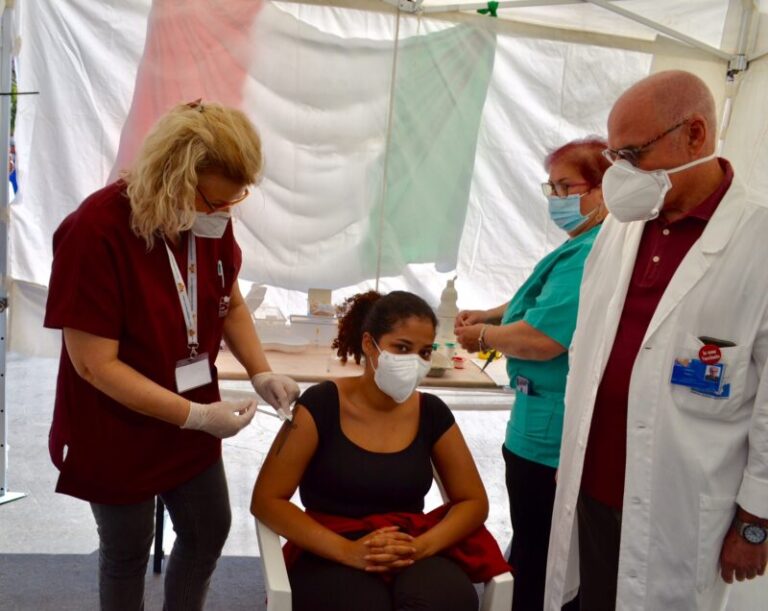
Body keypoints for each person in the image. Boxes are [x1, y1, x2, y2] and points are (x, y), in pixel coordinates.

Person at [44, 101, 300, 611]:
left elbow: (230, 302)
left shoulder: (206, 221)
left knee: (209, 530)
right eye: (216, 202)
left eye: (234, 201)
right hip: (115, 420)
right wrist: (197, 416)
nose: (224, 214)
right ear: (173, 178)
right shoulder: (94, 231)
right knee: (127, 549)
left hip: (190, 410)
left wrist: (261, 370)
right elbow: (95, 364)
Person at [545, 70, 768, 611]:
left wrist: (756, 518)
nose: (621, 174)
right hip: (590, 484)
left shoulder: (757, 242)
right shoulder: (625, 226)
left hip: (682, 499)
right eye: (614, 157)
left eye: (633, 154)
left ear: (695, 135)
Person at [251, 290, 510, 611]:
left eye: (425, 352)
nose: (414, 362)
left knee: (442, 601)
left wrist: (421, 546)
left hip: (410, 546)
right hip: (331, 547)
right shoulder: (321, 405)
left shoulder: (431, 412)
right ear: (368, 344)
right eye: (402, 348)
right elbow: (266, 500)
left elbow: (473, 501)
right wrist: (350, 552)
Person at [454, 138, 609, 610]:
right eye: (552, 188)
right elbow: (539, 303)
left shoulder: (592, 252)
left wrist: (483, 336)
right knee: (531, 540)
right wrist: (496, 315)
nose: (557, 200)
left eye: (568, 187)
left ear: (604, 188)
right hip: (535, 421)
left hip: (548, 435)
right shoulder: (580, 244)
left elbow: (545, 338)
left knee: (541, 553)